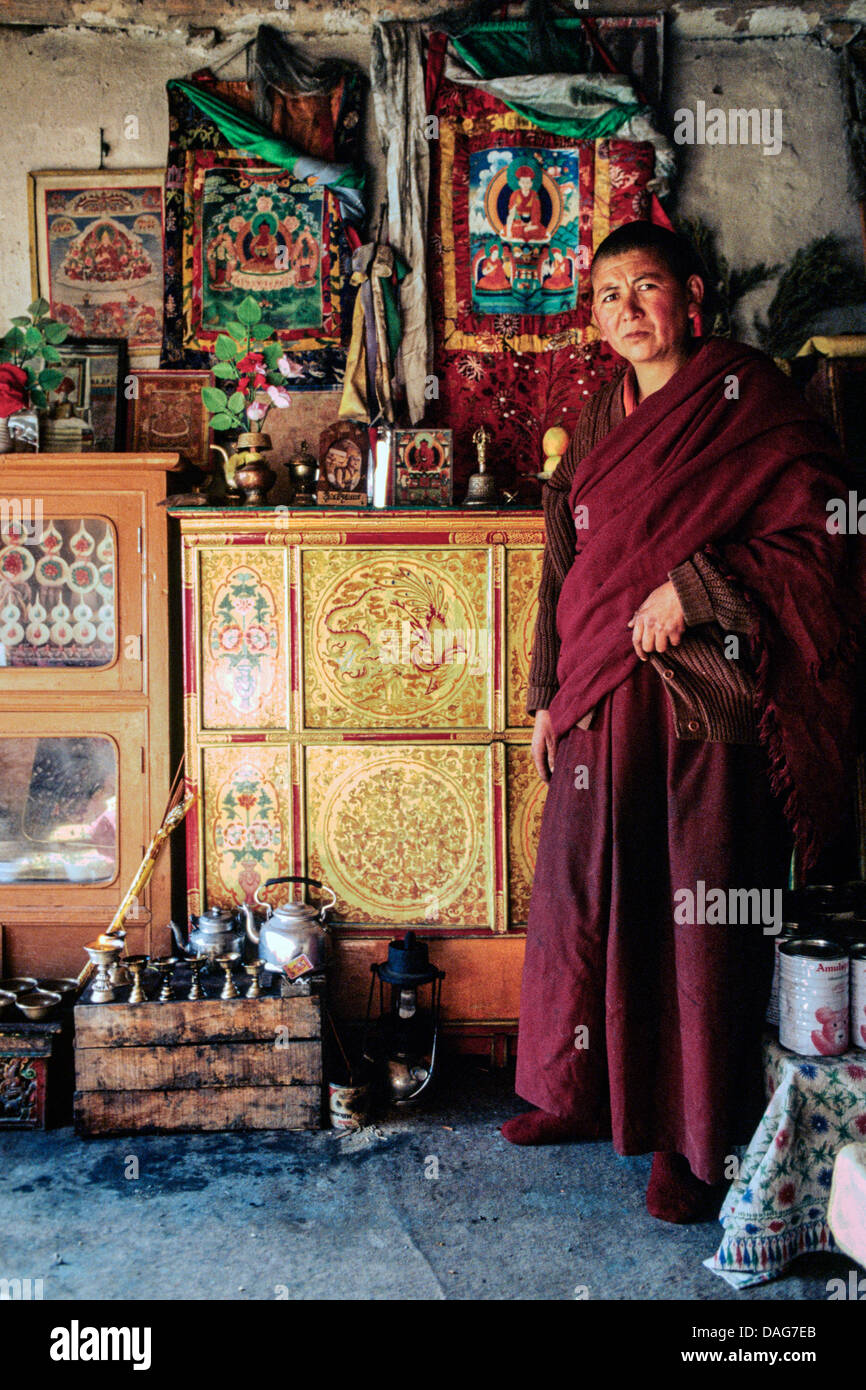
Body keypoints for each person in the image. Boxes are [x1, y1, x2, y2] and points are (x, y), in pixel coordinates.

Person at [502, 221, 861, 1223]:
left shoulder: (746, 399)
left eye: (646, 287)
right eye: (608, 294)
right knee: (589, 906)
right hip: (593, 703)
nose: (628, 309)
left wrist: (696, 585)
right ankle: (584, 1092)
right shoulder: (598, 415)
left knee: (692, 922)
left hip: (699, 707)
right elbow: (559, 571)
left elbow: (819, 535)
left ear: (689, 294)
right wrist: (543, 695)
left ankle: (693, 1143)